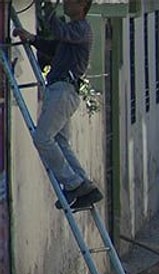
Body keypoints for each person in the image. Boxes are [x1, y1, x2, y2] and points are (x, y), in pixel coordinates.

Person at [13, 0, 103, 210]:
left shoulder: (81, 29)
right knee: (61, 142)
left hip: (63, 89)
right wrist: (33, 38)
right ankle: (85, 186)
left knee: (42, 138)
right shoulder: (73, 31)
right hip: (61, 90)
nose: (66, 3)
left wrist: (47, 8)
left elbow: (60, 32)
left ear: (82, 6)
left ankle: (74, 183)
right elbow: (55, 47)